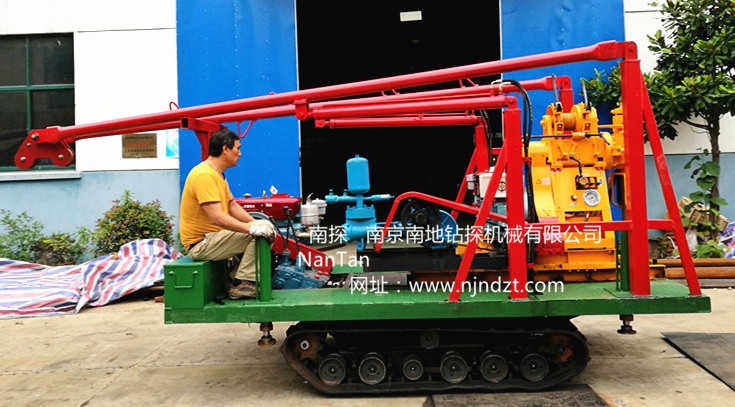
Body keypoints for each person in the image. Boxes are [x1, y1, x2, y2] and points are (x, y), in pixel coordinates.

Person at [179, 128, 276, 300]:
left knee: (263, 228)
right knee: (260, 230)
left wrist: (256, 224)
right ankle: (244, 283)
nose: (240, 153)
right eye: (237, 148)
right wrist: (252, 229)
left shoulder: (217, 175)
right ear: (225, 149)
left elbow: (231, 206)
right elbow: (217, 217)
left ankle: (237, 278)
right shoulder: (204, 175)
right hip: (201, 243)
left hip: (213, 238)